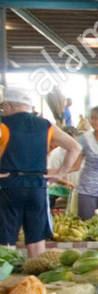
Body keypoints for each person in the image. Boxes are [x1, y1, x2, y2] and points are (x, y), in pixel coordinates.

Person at [0, 86, 80, 255]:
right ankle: (36, 278)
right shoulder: (46, 126)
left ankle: (3, 277)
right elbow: (75, 147)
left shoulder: (3, 125)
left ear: (9, 106)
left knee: (5, 238)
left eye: (3, 107)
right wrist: (59, 174)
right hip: (37, 187)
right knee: (36, 240)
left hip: (8, 187)